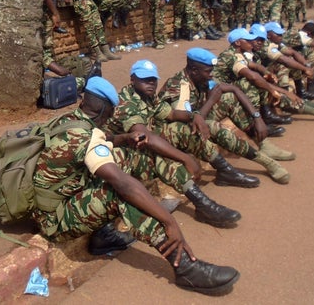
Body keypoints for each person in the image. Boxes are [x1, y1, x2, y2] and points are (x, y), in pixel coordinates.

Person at [30, 77, 241, 296]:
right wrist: (169, 222)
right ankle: (185, 266)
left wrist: (124, 138)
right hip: (54, 218)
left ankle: (197, 200)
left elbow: (104, 138)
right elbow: (124, 185)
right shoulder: (87, 140)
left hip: (59, 196)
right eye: (111, 112)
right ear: (105, 110)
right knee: (120, 194)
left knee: (138, 156)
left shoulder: (71, 120)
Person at [105, 60, 243, 226]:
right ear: (132, 80)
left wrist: (195, 116)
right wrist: (185, 158)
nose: (150, 83)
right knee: (161, 159)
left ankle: (224, 169)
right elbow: (145, 137)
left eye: (153, 79)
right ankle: (203, 205)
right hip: (119, 153)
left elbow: (171, 114)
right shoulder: (127, 104)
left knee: (182, 129)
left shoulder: (147, 96)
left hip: (138, 144)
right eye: (144, 79)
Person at [155, 51, 294, 184]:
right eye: (208, 71)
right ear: (194, 70)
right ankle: (265, 162)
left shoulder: (200, 77)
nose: (211, 75)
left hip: (196, 118)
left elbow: (234, 90)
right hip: (172, 134)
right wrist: (210, 101)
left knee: (228, 98)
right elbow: (187, 120)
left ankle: (264, 144)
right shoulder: (179, 85)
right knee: (213, 126)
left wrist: (257, 118)